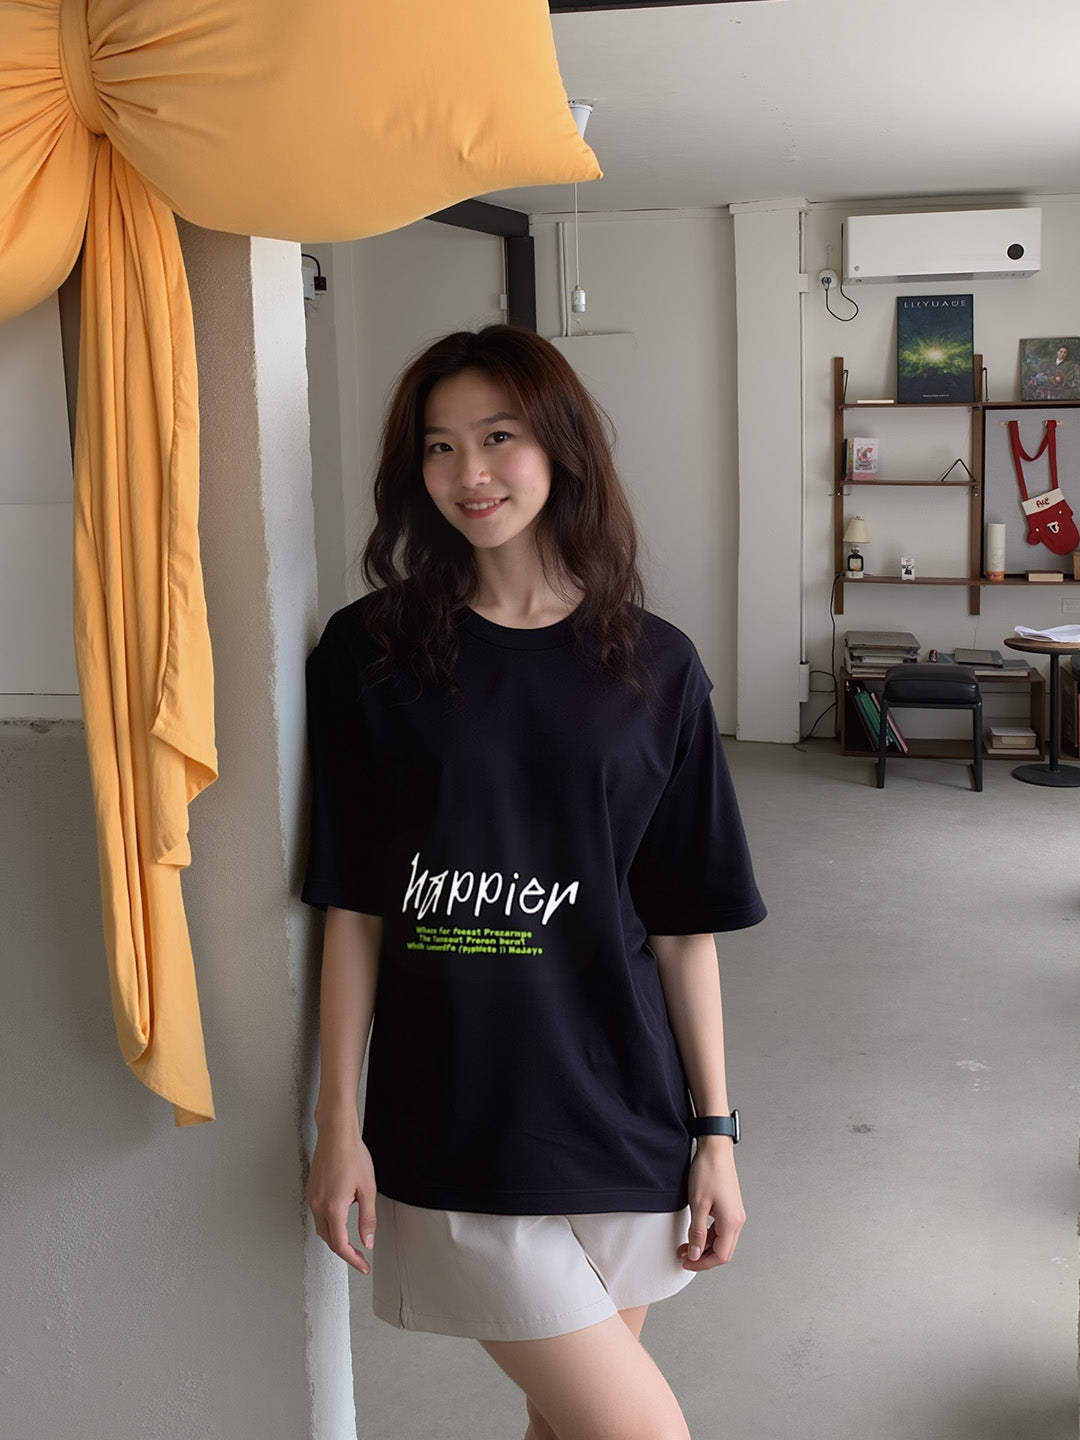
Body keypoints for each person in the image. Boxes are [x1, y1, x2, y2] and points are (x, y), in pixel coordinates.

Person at [302, 325, 766, 1440]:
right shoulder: (371, 654)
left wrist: (715, 1134)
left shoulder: (656, 665)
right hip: (458, 1118)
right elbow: (354, 906)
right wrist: (338, 1121)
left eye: (498, 437)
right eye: (439, 445)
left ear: (559, 446)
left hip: (624, 1118)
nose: (469, 472)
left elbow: (680, 925)